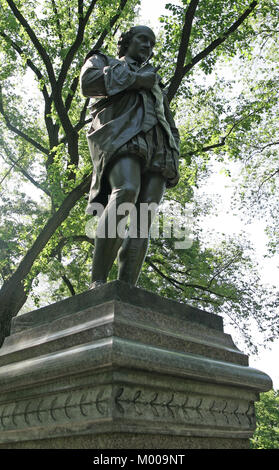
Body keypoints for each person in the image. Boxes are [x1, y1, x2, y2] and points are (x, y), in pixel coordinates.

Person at [80, 25, 180, 288]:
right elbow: (88, 83)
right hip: (122, 137)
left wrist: (175, 148)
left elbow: (168, 119)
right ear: (126, 41)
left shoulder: (155, 81)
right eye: (142, 39)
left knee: (144, 216)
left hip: (159, 146)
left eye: (152, 43)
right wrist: (135, 80)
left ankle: (127, 289)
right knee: (125, 192)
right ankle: (98, 283)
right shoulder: (103, 60)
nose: (148, 46)